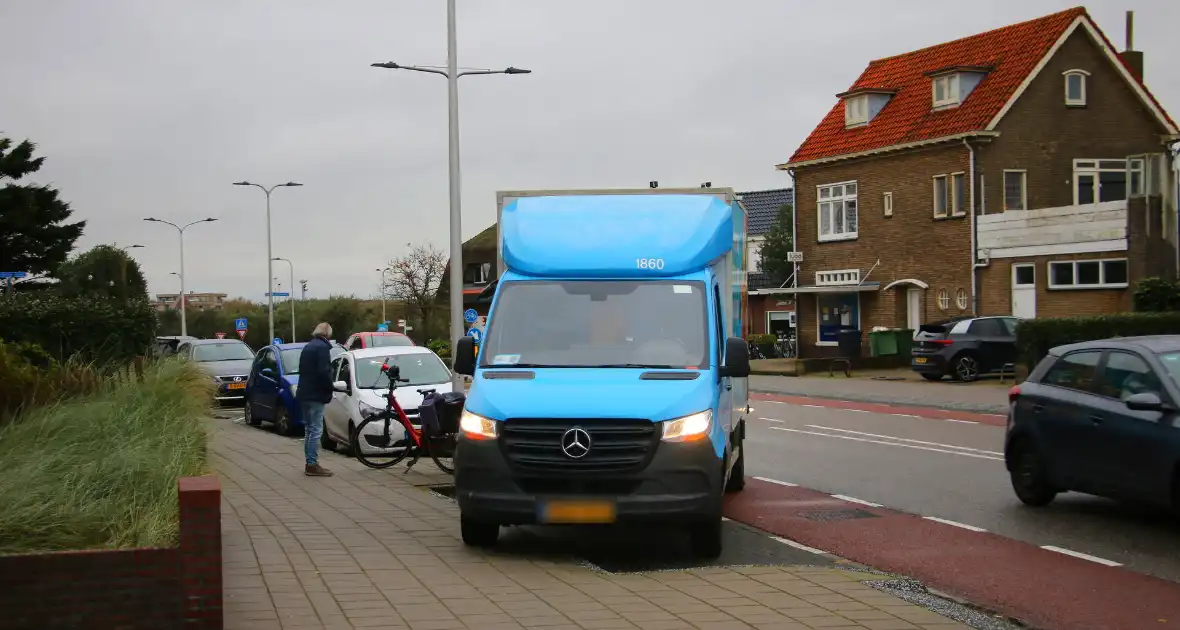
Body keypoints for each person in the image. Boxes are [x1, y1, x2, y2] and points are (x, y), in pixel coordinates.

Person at [297, 322, 335, 477]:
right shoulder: (323, 348)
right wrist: (330, 387)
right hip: (315, 394)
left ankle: (309, 462)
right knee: (316, 429)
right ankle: (312, 463)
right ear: (327, 334)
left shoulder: (309, 346)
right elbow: (324, 372)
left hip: (304, 392)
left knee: (309, 429)